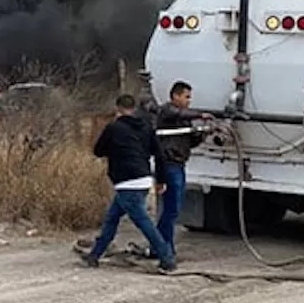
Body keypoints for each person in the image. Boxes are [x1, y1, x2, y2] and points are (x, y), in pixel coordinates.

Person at [84, 93, 177, 272]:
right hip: (143, 178)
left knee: (143, 222)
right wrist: (161, 179)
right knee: (112, 218)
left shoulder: (113, 128)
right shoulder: (146, 127)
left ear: (117, 108)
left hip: (126, 181)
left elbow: (98, 151)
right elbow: (158, 154)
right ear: (133, 108)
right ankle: (95, 254)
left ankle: (167, 258)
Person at [153, 80, 213, 260]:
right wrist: (201, 115)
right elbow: (178, 113)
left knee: (174, 209)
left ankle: (160, 246)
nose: (189, 101)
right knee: (171, 209)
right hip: (169, 165)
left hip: (179, 164)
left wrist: (203, 133)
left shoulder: (182, 119)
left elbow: (189, 141)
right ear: (175, 96)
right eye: (186, 97)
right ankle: (164, 248)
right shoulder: (167, 111)